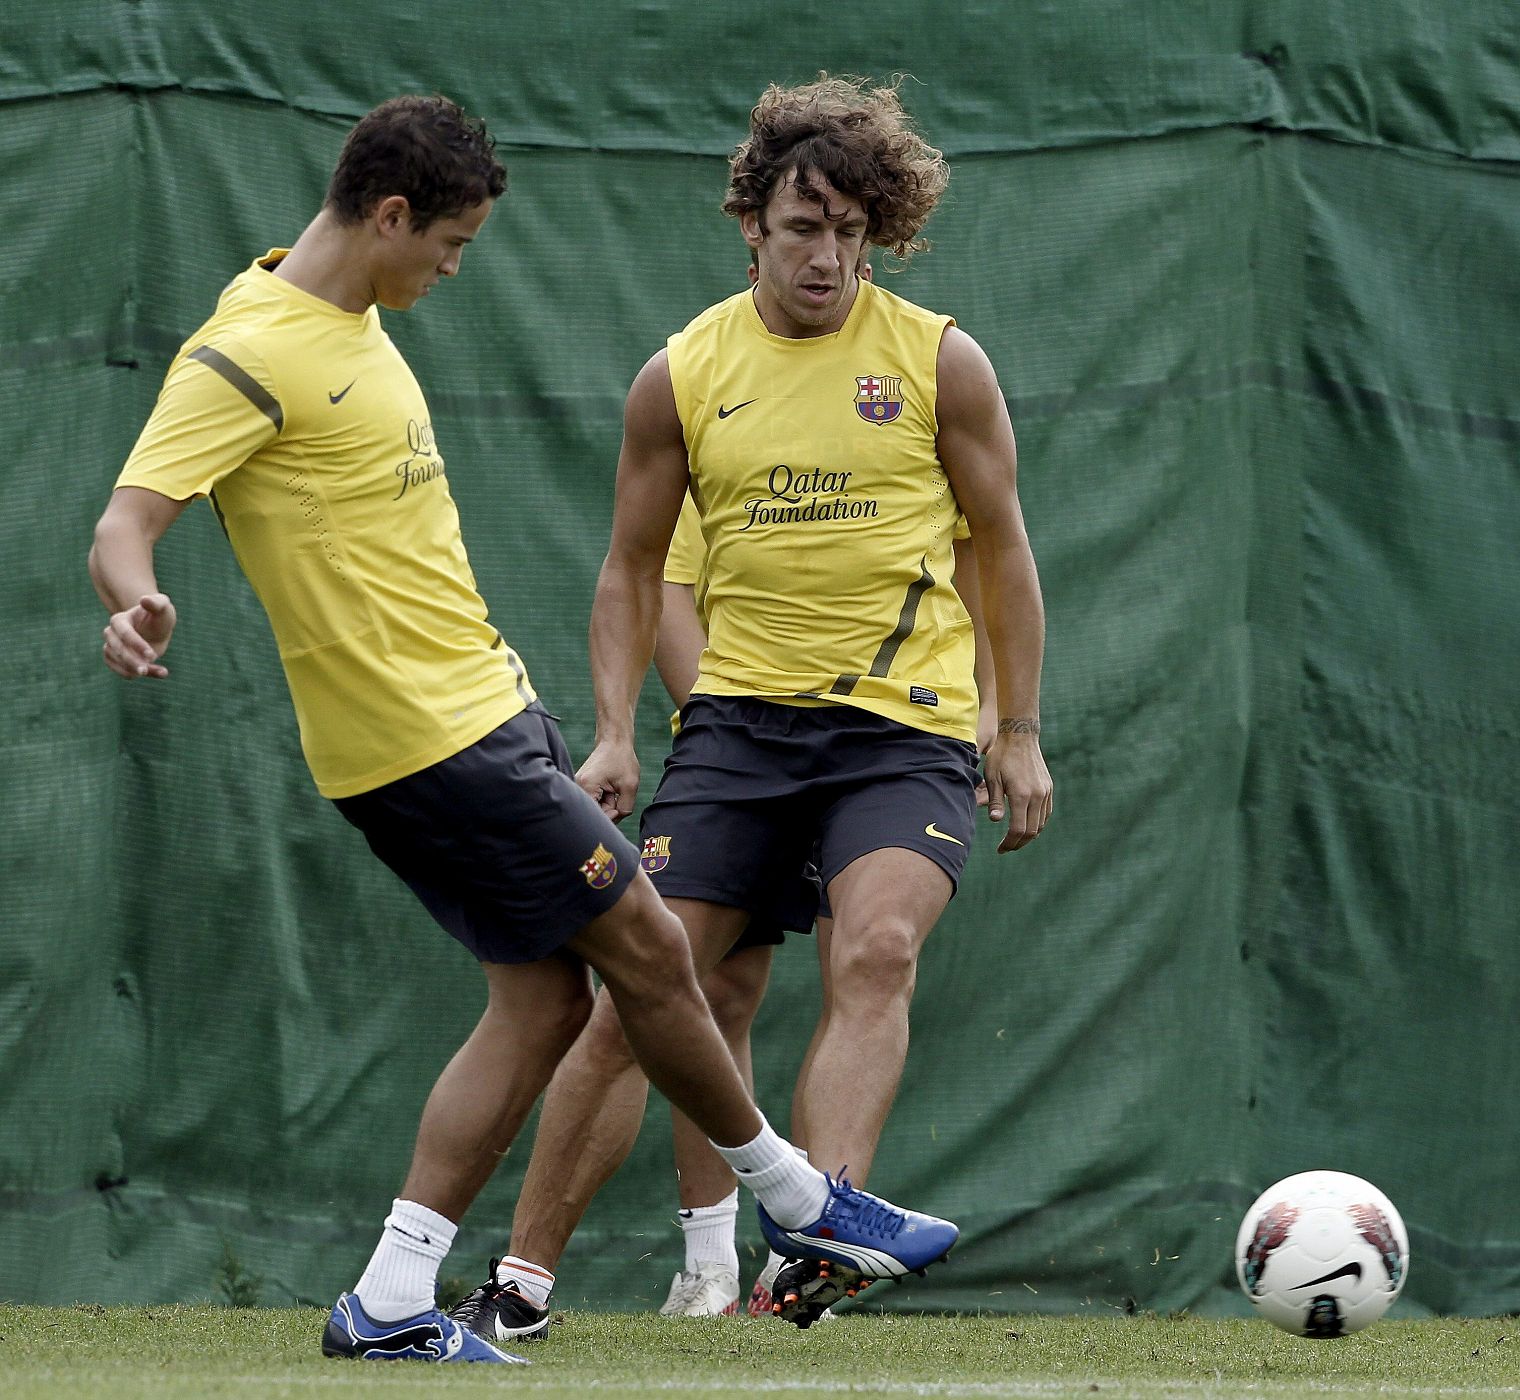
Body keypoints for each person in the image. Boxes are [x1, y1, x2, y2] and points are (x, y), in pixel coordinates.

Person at [86, 93, 959, 1367]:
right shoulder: (249, 350)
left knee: (544, 998)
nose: (453, 266)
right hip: (428, 740)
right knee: (656, 955)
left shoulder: (345, 315)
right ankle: (805, 1204)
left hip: (480, 721)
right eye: (449, 243)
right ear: (389, 215)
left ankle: (391, 1298)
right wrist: (135, 598)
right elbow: (126, 517)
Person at [449, 72, 1051, 1339]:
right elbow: (627, 567)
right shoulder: (682, 372)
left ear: (876, 233)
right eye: (801, 229)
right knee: (638, 993)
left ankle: (805, 1262)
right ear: (751, 225)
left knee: (876, 948)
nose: (825, 256)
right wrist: (615, 728)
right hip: (737, 727)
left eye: (849, 232)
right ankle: (522, 1282)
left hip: (905, 728)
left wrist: (1018, 729)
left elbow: (1001, 548)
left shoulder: (940, 361)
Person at [655, 479, 999, 1322]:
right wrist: (729, 725)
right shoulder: (712, 395)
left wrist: (997, 713)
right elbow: (662, 592)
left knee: (875, 951)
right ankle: (706, 1266)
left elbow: (979, 564)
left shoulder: (913, 415)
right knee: (707, 990)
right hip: (744, 743)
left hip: (891, 742)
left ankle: (808, 1261)